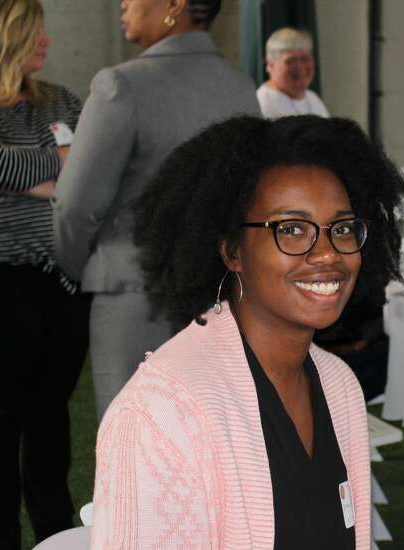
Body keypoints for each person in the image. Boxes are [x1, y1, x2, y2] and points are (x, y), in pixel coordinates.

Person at [78, 115, 404, 550]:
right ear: (232, 251)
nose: (327, 253)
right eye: (292, 229)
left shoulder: (339, 386)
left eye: (342, 227)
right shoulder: (163, 413)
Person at [53, 0, 260, 421]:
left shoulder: (120, 87)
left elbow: (75, 207)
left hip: (135, 300)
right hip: (219, 298)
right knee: (209, 447)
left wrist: (82, 267)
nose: (123, 3)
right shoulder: (242, 88)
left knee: (137, 450)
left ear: (174, 5)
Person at [0, 0, 90, 550]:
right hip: (3, 285)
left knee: (51, 420)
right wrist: (52, 168)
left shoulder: (62, 100)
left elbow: (89, 169)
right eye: (36, 33)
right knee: (2, 422)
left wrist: (46, 174)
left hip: (64, 285)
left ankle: (56, 547)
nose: (48, 42)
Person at [257, 27, 329, 119]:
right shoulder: (261, 104)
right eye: (291, 60)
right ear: (270, 65)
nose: (300, 67)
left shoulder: (312, 98)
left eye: (305, 59)